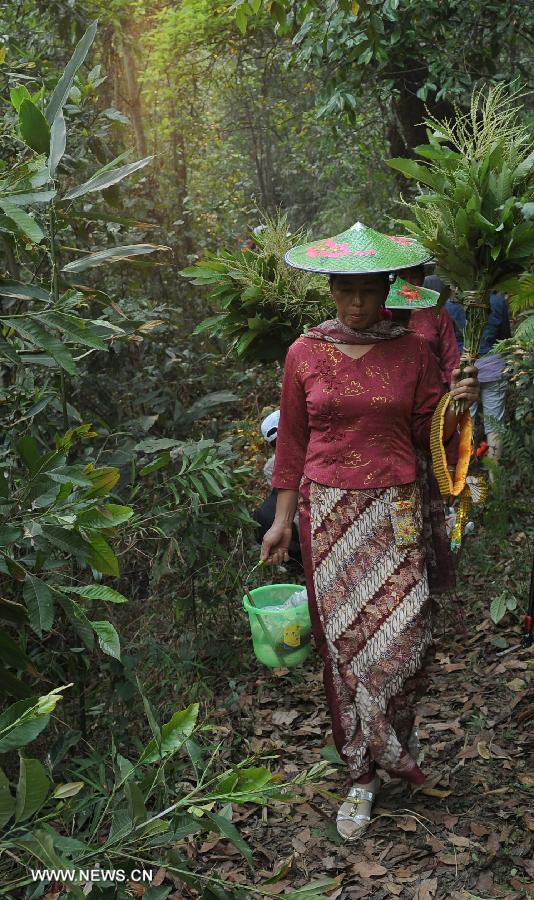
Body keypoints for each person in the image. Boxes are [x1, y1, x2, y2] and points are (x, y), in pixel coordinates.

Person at [259, 222, 479, 842]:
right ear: (331, 290)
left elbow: (430, 433)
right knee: (346, 648)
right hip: (328, 513)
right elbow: (292, 448)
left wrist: (457, 401)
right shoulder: (305, 352)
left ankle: (390, 744)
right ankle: (363, 773)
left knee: (405, 639)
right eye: (346, 291)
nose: (357, 304)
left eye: (368, 290)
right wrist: (281, 523)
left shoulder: (413, 351)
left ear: (388, 288)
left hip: (396, 510)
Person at [445, 290, 511, 461]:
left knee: (467, 422)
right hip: (493, 367)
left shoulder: (450, 304)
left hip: (464, 369)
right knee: (494, 425)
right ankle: (494, 478)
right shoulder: (497, 301)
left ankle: (466, 476)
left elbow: (448, 342)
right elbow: (505, 337)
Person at [252, 410, 301, 562]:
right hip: (299, 516)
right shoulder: (271, 467)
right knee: (265, 515)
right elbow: (285, 497)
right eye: (277, 445)